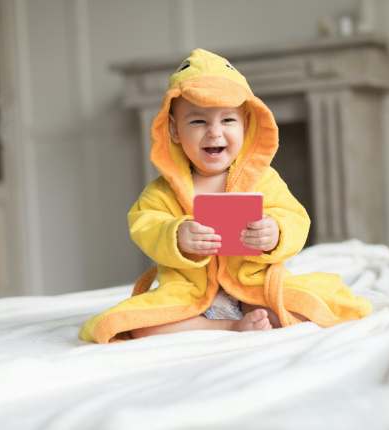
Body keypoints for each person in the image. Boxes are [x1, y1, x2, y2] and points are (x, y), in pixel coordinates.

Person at [79, 49, 372, 344]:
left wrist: (275, 231)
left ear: (246, 125)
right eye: (198, 122)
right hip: (189, 294)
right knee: (134, 326)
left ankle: (250, 318)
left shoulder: (262, 179)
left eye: (228, 120)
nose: (214, 133)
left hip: (252, 287)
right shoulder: (163, 191)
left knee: (312, 306)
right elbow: (144, 225)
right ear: (174, 131)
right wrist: (175, 234)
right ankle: (229, 327)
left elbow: (295, 217)